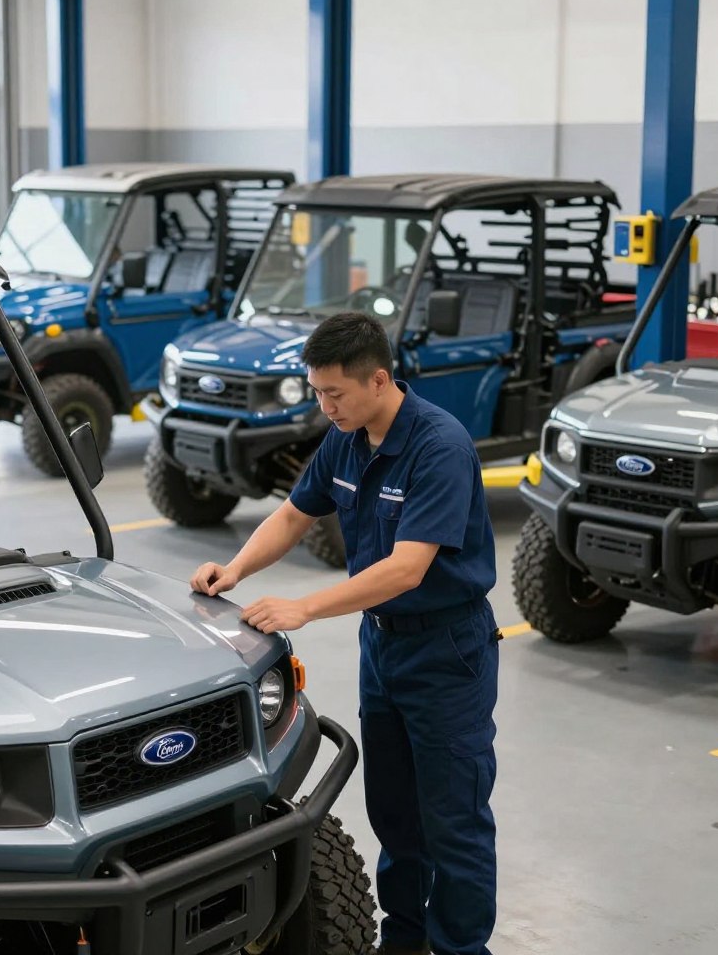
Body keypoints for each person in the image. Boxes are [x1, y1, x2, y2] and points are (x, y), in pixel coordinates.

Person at [190, 311, 499, 955]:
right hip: (382, 647)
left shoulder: (438, 446)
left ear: (379, 380)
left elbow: (408, 569)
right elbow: (294, 512)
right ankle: (406, 939)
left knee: (453, 820)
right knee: (392, 810)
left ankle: (462, 949)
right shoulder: (346, 438)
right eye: (317, 392)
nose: (324, 405)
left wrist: (305, 607)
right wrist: (236, 568)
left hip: (446, 650)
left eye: (334, 393)